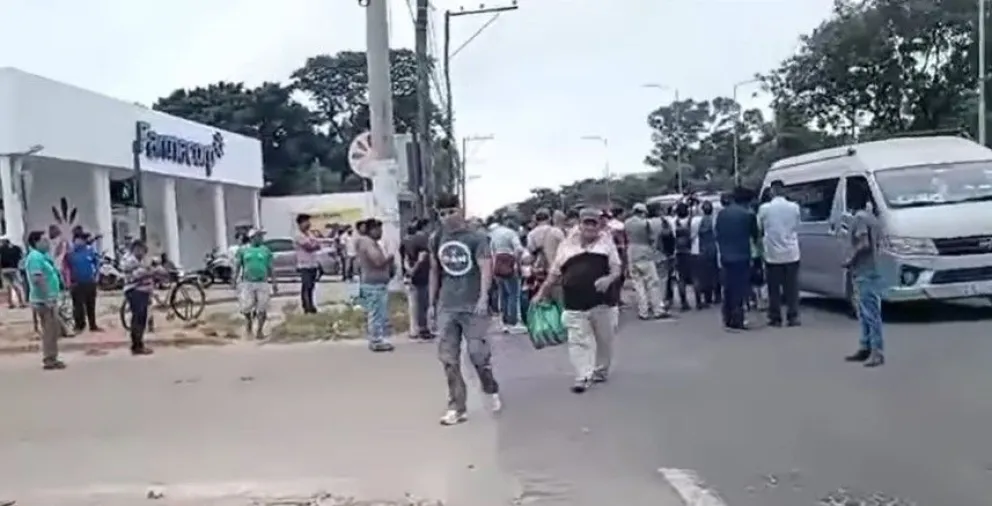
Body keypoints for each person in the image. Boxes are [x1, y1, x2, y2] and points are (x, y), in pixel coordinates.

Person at [429, 193, 500, 426]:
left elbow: (485, 268)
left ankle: (489, 388)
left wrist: (483, 298)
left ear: (460, 210)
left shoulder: (477, 238)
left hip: (472, 305)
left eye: (451, 212)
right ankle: (456, 406)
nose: (447, 217)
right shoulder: (437, 237)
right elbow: (435, 271)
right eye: (442, 214)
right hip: (447, 305)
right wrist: (432, 304)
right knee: (448, 359)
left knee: (477, 354)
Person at [534, 208, 621, 393]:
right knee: (578, 341)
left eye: (594, 223)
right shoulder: (566, 246)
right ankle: (582, 376)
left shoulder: (607, 243)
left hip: (603, 303)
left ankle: (600, 370)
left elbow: (616, 269)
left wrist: (609, 279)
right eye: (586, 223)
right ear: (579, 225)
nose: (590, 227)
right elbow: (554, 273)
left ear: (599, 225)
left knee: (604, 340)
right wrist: (541, 293)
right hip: (574, 303)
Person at [844, 192, 884, 367]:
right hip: (873, 268)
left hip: (864, 270)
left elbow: (864, 243)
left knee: (870, 312)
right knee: (865, 310)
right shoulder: (873, 218)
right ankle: (865, 346)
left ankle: (876, 351)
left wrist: (850, 258)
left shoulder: (859, 218)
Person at [757, 180, 801, 326]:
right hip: (791, 253)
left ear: (772, 191)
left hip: (772, 255)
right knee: (792, 288)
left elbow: (759, 228)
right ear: (784, 190)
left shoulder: (765, 209)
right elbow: (796, 226)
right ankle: (792, 316)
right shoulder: (794, 207)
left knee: (774, 289)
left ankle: (775, 317)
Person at [715, 187, 759, 331]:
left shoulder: (721, 214)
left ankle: (727, 318)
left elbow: (718, 233)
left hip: (725, 255)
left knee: (728, 288)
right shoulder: (748, 215)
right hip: (742, 256)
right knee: (739, 289)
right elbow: (755, 236)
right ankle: (738, 319)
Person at [24, 230, 65, 370]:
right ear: (36, 242)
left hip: (49, 299)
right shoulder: (35, 257)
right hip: (43, 301)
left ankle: (52, 357)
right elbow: (37, 279)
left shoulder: (43, 256)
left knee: (53, 330)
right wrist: (47, 296)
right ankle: (49, 359)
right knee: (49, 330)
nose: (47, 243)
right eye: (44, 240)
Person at [355, 218, 395, 352]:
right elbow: (377, 261)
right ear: (372, 230)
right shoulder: (368, 243)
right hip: (373, 284)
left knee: (377, 313)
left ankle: (377, 337)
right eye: (379, 229)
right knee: (376, 313)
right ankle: (376, 340)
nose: (381, 232)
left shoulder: (368, 243)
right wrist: (389, 259)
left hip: (373, 282)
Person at [623, 203, 666, 319]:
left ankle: (643, 312)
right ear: (643, 212)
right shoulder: (646, 224)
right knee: (652, 282)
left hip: (631, 252)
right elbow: (652, 238)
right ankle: (657, 310)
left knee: (638, 284)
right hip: (645, 253)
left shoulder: (626, 223)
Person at [234, 229, 277, 340]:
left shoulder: (266, 251)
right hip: (247, 282)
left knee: (262, 308)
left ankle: (259, 331)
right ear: (253, 237)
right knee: (246, 307)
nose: (261, 238)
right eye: (259, 236)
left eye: (261, 236)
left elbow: (271, 267)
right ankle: (249, 324)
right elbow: (238, 265)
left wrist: (274, 282)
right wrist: (234, 279)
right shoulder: (243, 250)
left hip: (262, 282)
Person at [119, 240, 157, 355]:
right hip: (135, 291)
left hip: (143, 291)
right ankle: (136, 345)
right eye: (140, 250)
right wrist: (146, 271)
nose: (142, 253)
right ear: (135, 249)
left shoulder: (140, 260)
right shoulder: (129, 261)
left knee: (141, 318)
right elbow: (132, 276)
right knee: (138, 318)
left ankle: (139, 344)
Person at [489, 216, 526, 333]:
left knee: (503, 294)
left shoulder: (494, 234)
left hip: (497, 264)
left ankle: (504, 322)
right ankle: (513, 322)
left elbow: (491, 251)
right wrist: (516, 262)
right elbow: (519, 249)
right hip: (509, 262)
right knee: (513, 294)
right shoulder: (512, 233)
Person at [403, 219, 433, 340]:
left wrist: (408, 271)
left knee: (413, 304)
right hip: (421, 274)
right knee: (422, 303)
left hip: (410, 274)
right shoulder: (424, 240)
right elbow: (424, 258)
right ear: (425, 227)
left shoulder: (406, 240)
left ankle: (414, 329)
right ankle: (423, 328)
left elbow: (404, 258)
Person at [66, 232, 101, 333]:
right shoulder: (70, 253)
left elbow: (96, 263)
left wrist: (96, 276)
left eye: (83, 240)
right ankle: (79, 325)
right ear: (74, 240)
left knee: (91, 304)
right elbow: (66, 268)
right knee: (78, 306)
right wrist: (68, 281)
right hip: (76, 283)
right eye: (79, 239)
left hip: (90, 282)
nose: (81, 242)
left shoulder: (90, 251)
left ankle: (93, 325)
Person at [691, 200, 719, 309]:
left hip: (700, 250)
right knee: (714, 274)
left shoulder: (696, 221)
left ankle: (702, 298)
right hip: (712, 249)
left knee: (701, 276)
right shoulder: (714, 220)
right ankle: (714, 296)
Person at [294, 214, 322, 314]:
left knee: (311, 287)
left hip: (313, 264)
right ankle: (307, 307)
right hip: (304, 265)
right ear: (300, 224)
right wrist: (314, 244)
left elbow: (318, 245)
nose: (308, 224)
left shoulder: (310, 234)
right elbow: (309, 246)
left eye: (308, 221)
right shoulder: (298, 235)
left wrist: (314, 244)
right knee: (306, 286)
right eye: (306, 222)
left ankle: (311, 305)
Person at [671, 202, 694, 311]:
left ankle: (683, 302)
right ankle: (699, 301)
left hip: (678, 253)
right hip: (690, 252)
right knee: (695, 276)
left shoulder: (673, 222)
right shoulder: (692, 221)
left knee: (681, 279)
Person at [0, 235, 26, 309]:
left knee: (8, 287)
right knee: (16, 285)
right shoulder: (16, 248)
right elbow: (21, 257)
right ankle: (21, 302)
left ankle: (10, 303)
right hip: (14, 269)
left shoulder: (1, 249)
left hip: (5, 270)